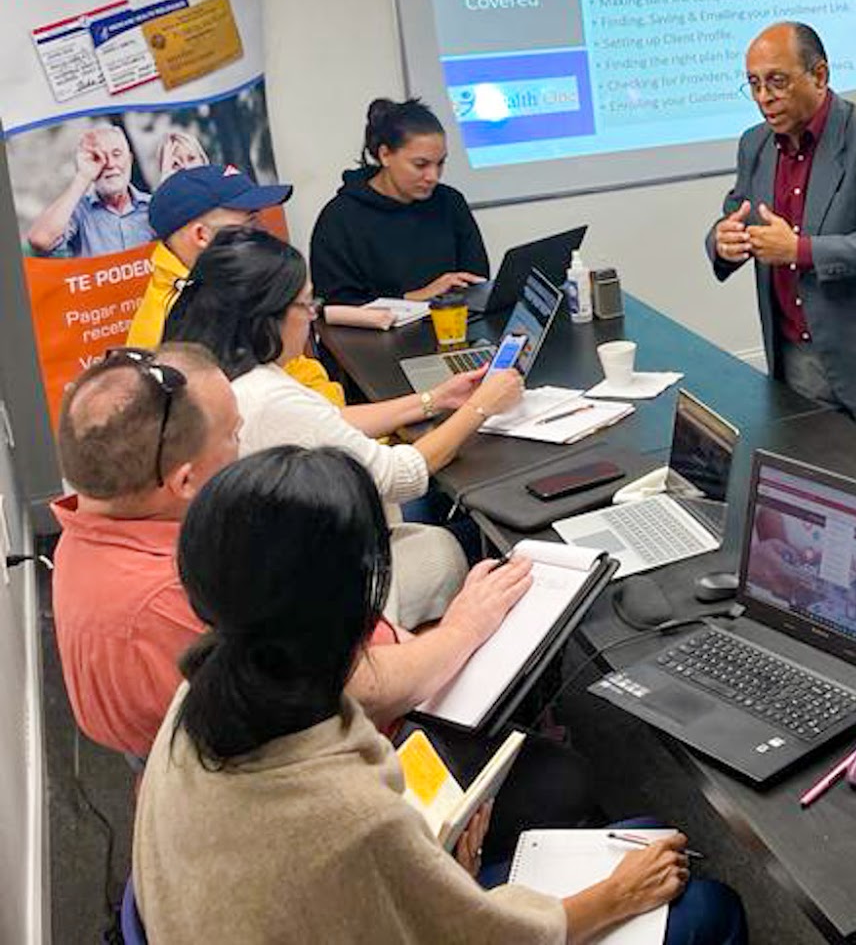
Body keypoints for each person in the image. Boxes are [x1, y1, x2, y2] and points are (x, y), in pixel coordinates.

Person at [133, 447, 747, 945]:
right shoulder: (351, 819)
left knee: (640, 833)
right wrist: (616, 896)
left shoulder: (202, 693)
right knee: (705, 904)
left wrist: (433, 871)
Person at [49, 344, 536, 760]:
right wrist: (463, 628)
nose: (242, 445)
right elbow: (361, 692)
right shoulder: (173, 599)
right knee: (547, 770)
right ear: (185, 481)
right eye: (233, 436)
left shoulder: (89, 533)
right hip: (352, 753)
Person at [164, 227, 522, 624]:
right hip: (324, 581)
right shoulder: (267, 397)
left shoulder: (211, 367)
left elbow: (326, 421)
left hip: (268, 559)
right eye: (306, 305)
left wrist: (435, 399)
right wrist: (480, 408)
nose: (312, 315)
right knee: (458, 544)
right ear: (267, 316)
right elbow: (399, 476)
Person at [707, 21, 856, 470]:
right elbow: (736, 212)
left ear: (819, 75)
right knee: (823, 498)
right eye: (754, 84)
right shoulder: (755, 144)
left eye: (777, 81)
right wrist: (724, 240)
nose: (764, 97)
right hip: (798, 362)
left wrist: (799, 251)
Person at [123, 165, 350, 406]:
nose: (264, 231)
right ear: (201, 235)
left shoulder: (225, 284)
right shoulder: (182, 319)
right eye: (250, 223)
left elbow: (293, 368)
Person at [311, 97, 488, 306]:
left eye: (440, 163)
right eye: (420, 165)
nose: (433, 176)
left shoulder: (450, 202)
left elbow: (476, 279)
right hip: (378, 328)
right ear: (385, 155)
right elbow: (337, 305)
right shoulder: (340, 219)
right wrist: (417, 297)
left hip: (454, 320)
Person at [24, 123, 151, 257]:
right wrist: (83, 177)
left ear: (130, 160)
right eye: (97, 157)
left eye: (116, 154)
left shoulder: (152, 206)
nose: (110, 164)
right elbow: (40, 240)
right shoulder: (79, 211)